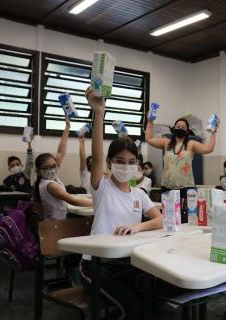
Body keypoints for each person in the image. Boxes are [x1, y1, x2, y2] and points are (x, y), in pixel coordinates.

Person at [80, 87, 163, 320]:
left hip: (126, 262)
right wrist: (99, 113)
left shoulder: (139, 193)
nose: (125, 166)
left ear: (137, 165)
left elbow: (159, 219)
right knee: (133, 308)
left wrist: (138, 226)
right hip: (96, 265)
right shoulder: (102, 187)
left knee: (154, 299)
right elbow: (95, 156)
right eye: (119, 161)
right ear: (109, 163)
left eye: (131, 162)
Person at [145, 115, 218, 199]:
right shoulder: (166, 142)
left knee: (188, 212)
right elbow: (149, 139)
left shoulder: (191, 144)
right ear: (174, 128)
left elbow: (208, 149)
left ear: (187, 131)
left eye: (183, 127)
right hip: (167, 187)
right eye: (178, 126)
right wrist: (150, 122)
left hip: (186, 187)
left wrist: (214, 132)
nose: (180, 128)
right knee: (168, 211)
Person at [33, 119, 92, 220]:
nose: (52, 169)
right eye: (46, 168)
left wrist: (67, 128)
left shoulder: (50, 178)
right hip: (55, 225)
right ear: (38, 171)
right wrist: (99, 203)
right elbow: (74, 201)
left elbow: (61, 152)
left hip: (58, 220)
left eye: (53, 166)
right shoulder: (50, 185)